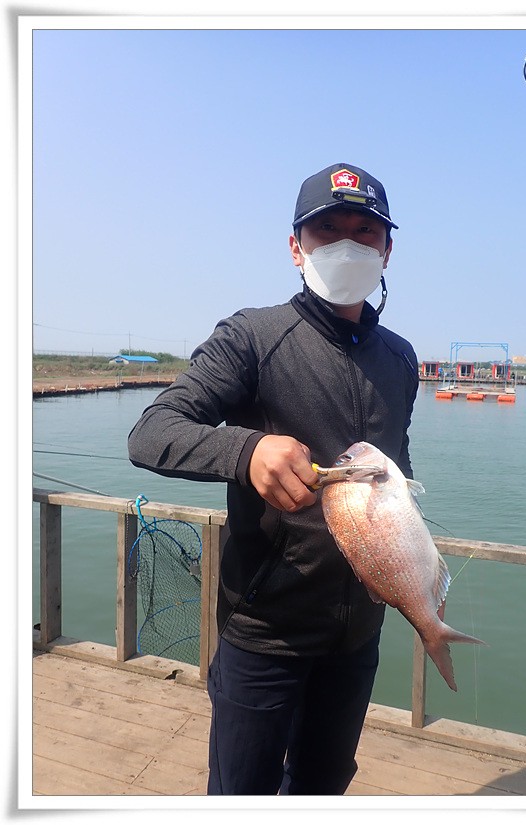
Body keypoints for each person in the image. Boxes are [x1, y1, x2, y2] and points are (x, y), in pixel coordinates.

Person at [128, 162, 419, 795]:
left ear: (387, 250)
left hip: (357, 637)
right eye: (326, 230)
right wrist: (247, 450)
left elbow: (399, 471)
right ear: (295, 247)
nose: (347, 244)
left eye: (365, 231)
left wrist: (414, 560)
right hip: (265, 633)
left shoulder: (400, 358)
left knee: (324, 783)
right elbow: (151, 431)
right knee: (243, 791)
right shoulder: (252, 337)